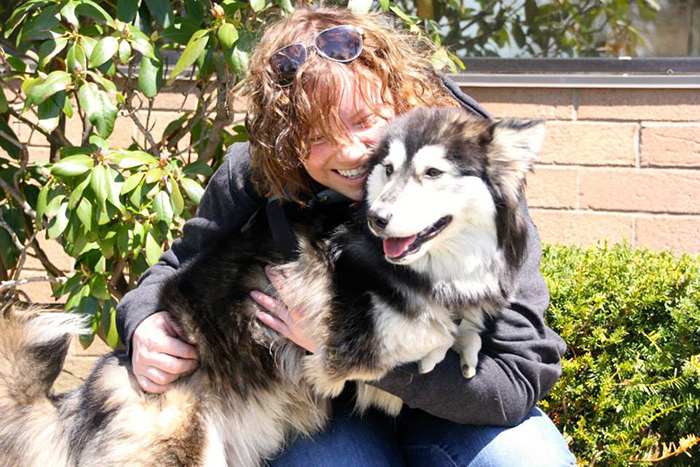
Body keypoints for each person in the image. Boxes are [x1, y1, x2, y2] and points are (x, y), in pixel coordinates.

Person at [116, 7, 576, 466]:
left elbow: (517, 376)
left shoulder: (472, 179)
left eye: (364, 120)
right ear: (286, 141)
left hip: (448, 395)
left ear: (400, 97)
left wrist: (350, 349)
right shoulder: (256, 171)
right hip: (323, 410)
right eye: (317, 136)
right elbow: (179, 266)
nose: (350, 152)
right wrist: (144, 325)